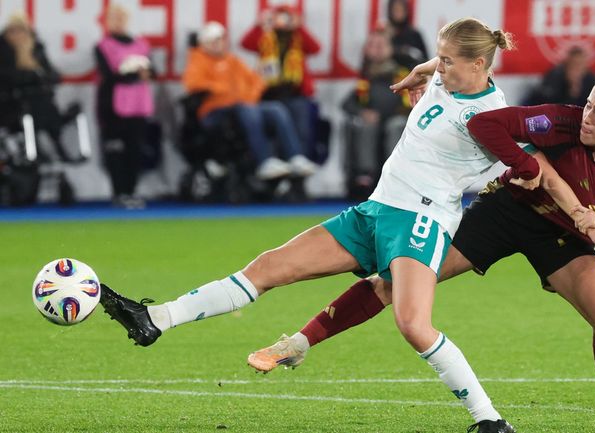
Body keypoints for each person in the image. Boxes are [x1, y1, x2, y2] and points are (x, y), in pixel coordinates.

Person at [100, 17, 539, 432]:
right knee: (270, 266)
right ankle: (156, 317)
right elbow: (433, 69)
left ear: (478, 64)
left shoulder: (489, 117)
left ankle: (489, 419)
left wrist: (571, 205)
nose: (437, 67)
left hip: (421, 221)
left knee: (413, 325)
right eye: (438, 57)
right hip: (375, 210)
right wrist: (418, 74)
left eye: (446, 60)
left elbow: (532, 160)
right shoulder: (447, 78)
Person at [248, 70, 595, 433]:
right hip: (505, 212)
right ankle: (298, 343)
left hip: (561, 239)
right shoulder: (559, 121)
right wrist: (525, 164)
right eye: (589, 104)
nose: (587, 117)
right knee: (399, 281)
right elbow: (488, 126)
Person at [182, 21, 318, 181]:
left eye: (221, 40)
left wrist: (248, 96)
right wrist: (228, 92)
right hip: (215, 112)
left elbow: (256, 81)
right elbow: (193, 84)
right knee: (248, 110)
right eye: (214, 41)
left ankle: (295, 157)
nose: (219, 44)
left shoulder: (232, 60)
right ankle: (264, 160)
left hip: (243, 107)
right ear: (204, 44)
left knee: (275, 109)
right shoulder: (198, 61)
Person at [240, 6, 321, 158]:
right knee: (271, 132)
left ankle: (299, 167)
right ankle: (274, 167)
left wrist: (300, 27)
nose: (283, 22)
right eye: (279, 17)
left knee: (301, 131)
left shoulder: (297, 38)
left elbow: (315, 48)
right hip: (269, 94)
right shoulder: (265, 36)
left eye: (287, 18)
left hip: (295, 94)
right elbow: (246, 43)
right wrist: (259, 25)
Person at [94, 4, 154, 209]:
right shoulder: (103, 46)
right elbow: (109, 75)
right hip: (114, 108)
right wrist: (132, 74)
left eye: (121, 17)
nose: (117, 21)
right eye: (113, 18)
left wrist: (140, 73)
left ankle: (131, 190)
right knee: (116, 151)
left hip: (138, 107)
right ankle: (118, 192)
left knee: (135, 151)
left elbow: (152, 71)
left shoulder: (141, 45)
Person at [342, 28, 412, 200]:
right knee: (366, 124)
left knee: (395, 125)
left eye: (382, 45)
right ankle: (366, 175)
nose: (378, 49)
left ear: (390, 48)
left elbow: (412, 102)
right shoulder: (366, 78)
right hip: (374, 124)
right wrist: (362, 112)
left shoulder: (401, 74)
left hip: (397, 119)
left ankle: (394, 176)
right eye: (373, 45)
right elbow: (346, 104)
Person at [0, 10, 76, 161]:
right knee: (31, 109)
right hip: (13, 105)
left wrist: (42, 76)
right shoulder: (3, 52)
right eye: (13, 31)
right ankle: (38, 150)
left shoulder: (36, 50)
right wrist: (29, 75)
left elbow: (53, 74)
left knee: (46, 108)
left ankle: (55, 146)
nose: (17, 35)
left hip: (41, 103)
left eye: (21, 30)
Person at [526, 46, 595, 106]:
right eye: (574, 64)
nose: (577, 68)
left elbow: (594, 103)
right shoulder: (555, 76)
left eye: (581, 64)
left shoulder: (591, 79)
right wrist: (569, 89)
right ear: (567, 64)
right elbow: (545, 101)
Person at [385, 0, 428, 68]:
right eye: (396, 10)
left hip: (411, 73)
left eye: (401, 10)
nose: (398, 13)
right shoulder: (384, 32)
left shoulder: (414, 34)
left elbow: (425, 59)